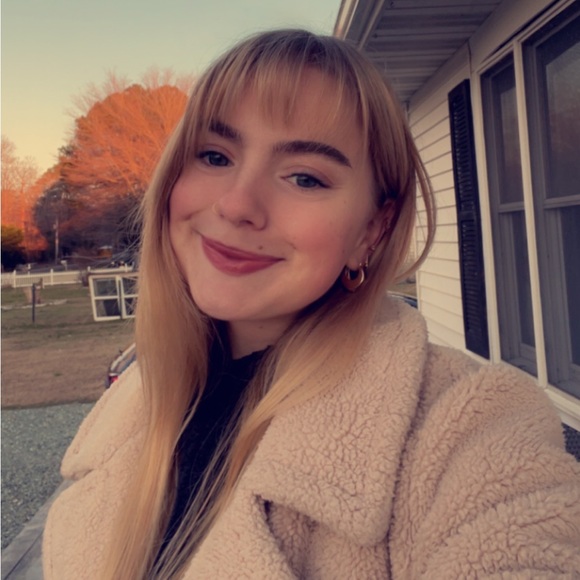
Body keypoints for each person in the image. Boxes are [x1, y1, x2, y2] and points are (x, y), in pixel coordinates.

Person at [43, 29, 580, 579]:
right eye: (214, 155)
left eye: (305, 177)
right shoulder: (134, 400)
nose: (237, 204)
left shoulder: (467, 426)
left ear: (372, 230)